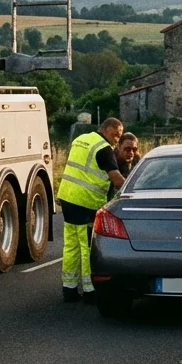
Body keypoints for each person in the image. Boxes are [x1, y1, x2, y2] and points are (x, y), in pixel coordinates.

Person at [56, 117, 125, 303]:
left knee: (70, 246)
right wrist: (132, 189)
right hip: (86, 203)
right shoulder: (104, 149)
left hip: (68, 198)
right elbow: (117, 180)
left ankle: (69, 289)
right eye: (117, 135)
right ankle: (89, 291)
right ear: (108, 130)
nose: (117, 139)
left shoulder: (81, 140)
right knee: (88, 248)